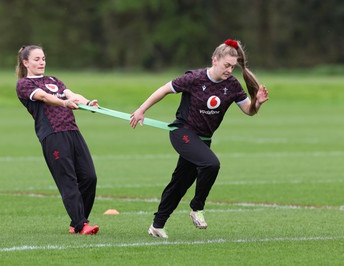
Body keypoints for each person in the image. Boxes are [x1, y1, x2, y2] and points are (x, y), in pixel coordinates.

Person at [130, 39, 269, 238]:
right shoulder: (194, 78)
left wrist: (258, 103)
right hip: (183, 132)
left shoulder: (232, 85)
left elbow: (249, 111)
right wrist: (141, 110)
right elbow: (164, 90)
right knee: (211, 164)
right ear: (215, 60)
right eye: (226, 65)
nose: (229, 70)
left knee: (179, 183)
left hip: (203, 139)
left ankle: (157, 226)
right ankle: (197, 208)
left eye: (233, 66)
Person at [16, 45, 100, 235]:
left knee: (89, 177)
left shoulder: (53, 80)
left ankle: (78, 221)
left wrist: (87, 103)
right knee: (68, 180)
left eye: (43, 58)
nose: (41, 62)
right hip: (52, 135)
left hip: (72, 131)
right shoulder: (24, 84)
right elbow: (44, 97)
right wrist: (64, 103)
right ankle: (81, 225)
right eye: (36, 59)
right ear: (26, 62)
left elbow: (72, 95)